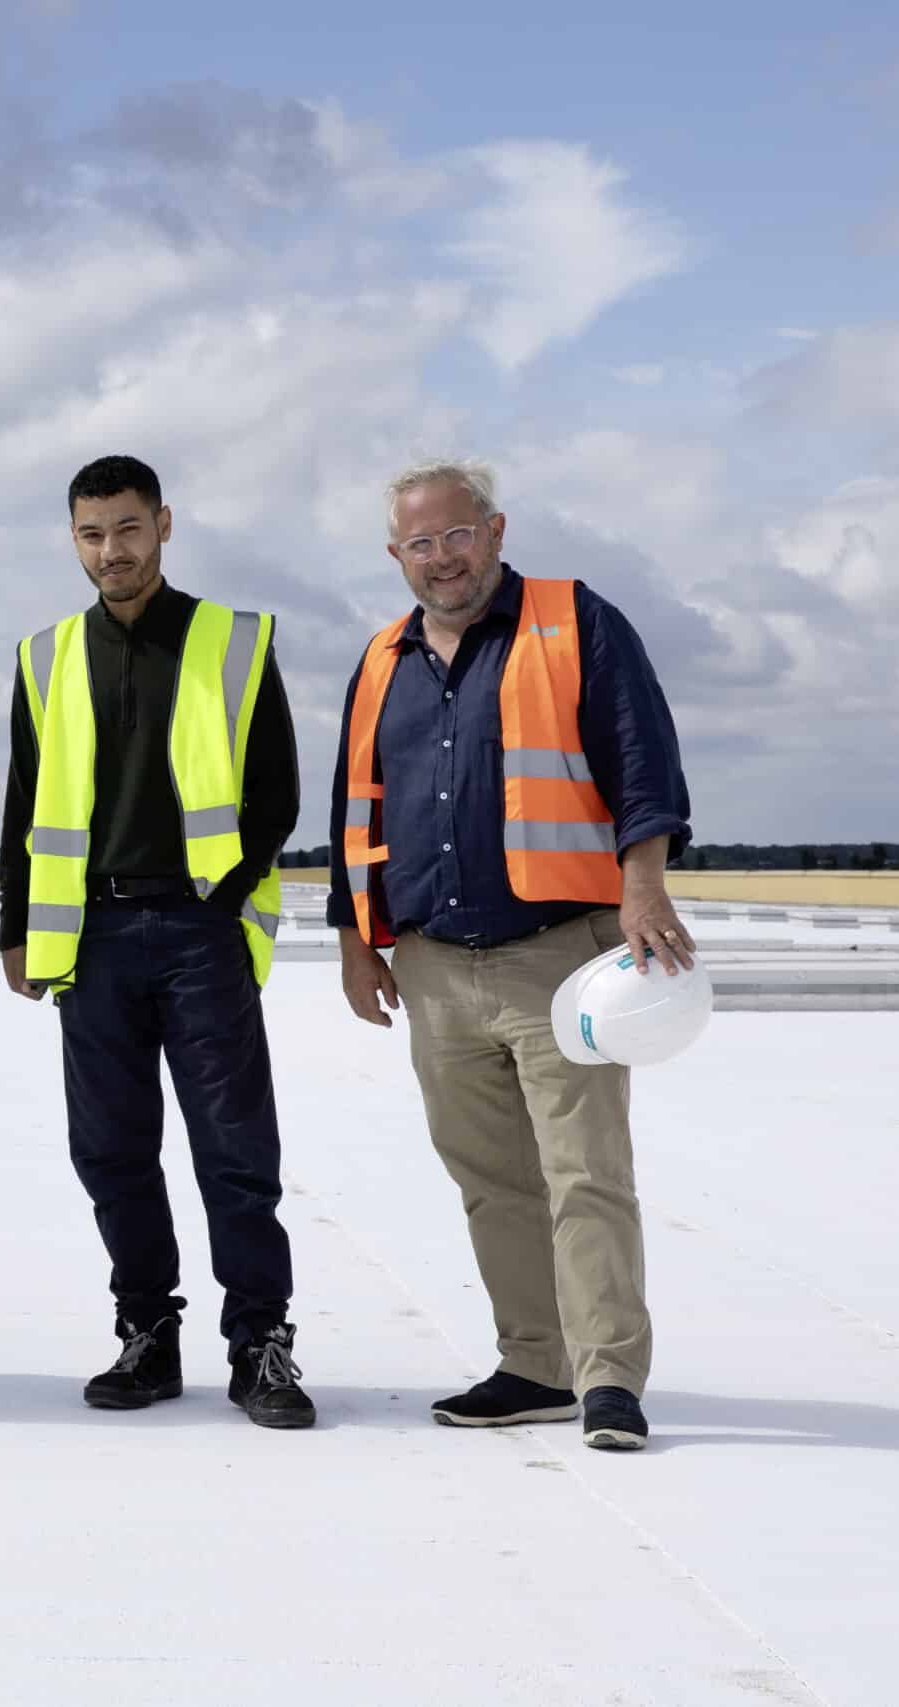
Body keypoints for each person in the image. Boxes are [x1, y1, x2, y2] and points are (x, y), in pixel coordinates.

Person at [330, 457, 693, 1451]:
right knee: (490, 1178)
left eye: (457, 535)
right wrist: (358, 942)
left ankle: (610, 1376)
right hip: (433, 968)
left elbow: (641, 757)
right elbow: (357, 811)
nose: (441, 559)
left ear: (494, 532)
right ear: (395, 555)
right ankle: (535, 1364)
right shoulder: (379, 663)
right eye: (420, 543)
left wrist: (644, 882)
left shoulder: (573, 621)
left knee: (585, 1172)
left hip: (558, 957)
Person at [0, 454, 315, 1429]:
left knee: (234, 1151)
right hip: (90, 939)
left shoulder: (233, 641)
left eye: (127, 529)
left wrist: (218, 896)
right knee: (111, 1152)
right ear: (74, 539)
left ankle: (259, 1344)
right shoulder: (44, 656)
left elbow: (278, 791)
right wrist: (17, 925)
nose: (111, 551)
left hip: (197, 934)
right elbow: (21, 800)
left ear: (164, 526)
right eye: (92, 534)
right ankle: (148, 1334)